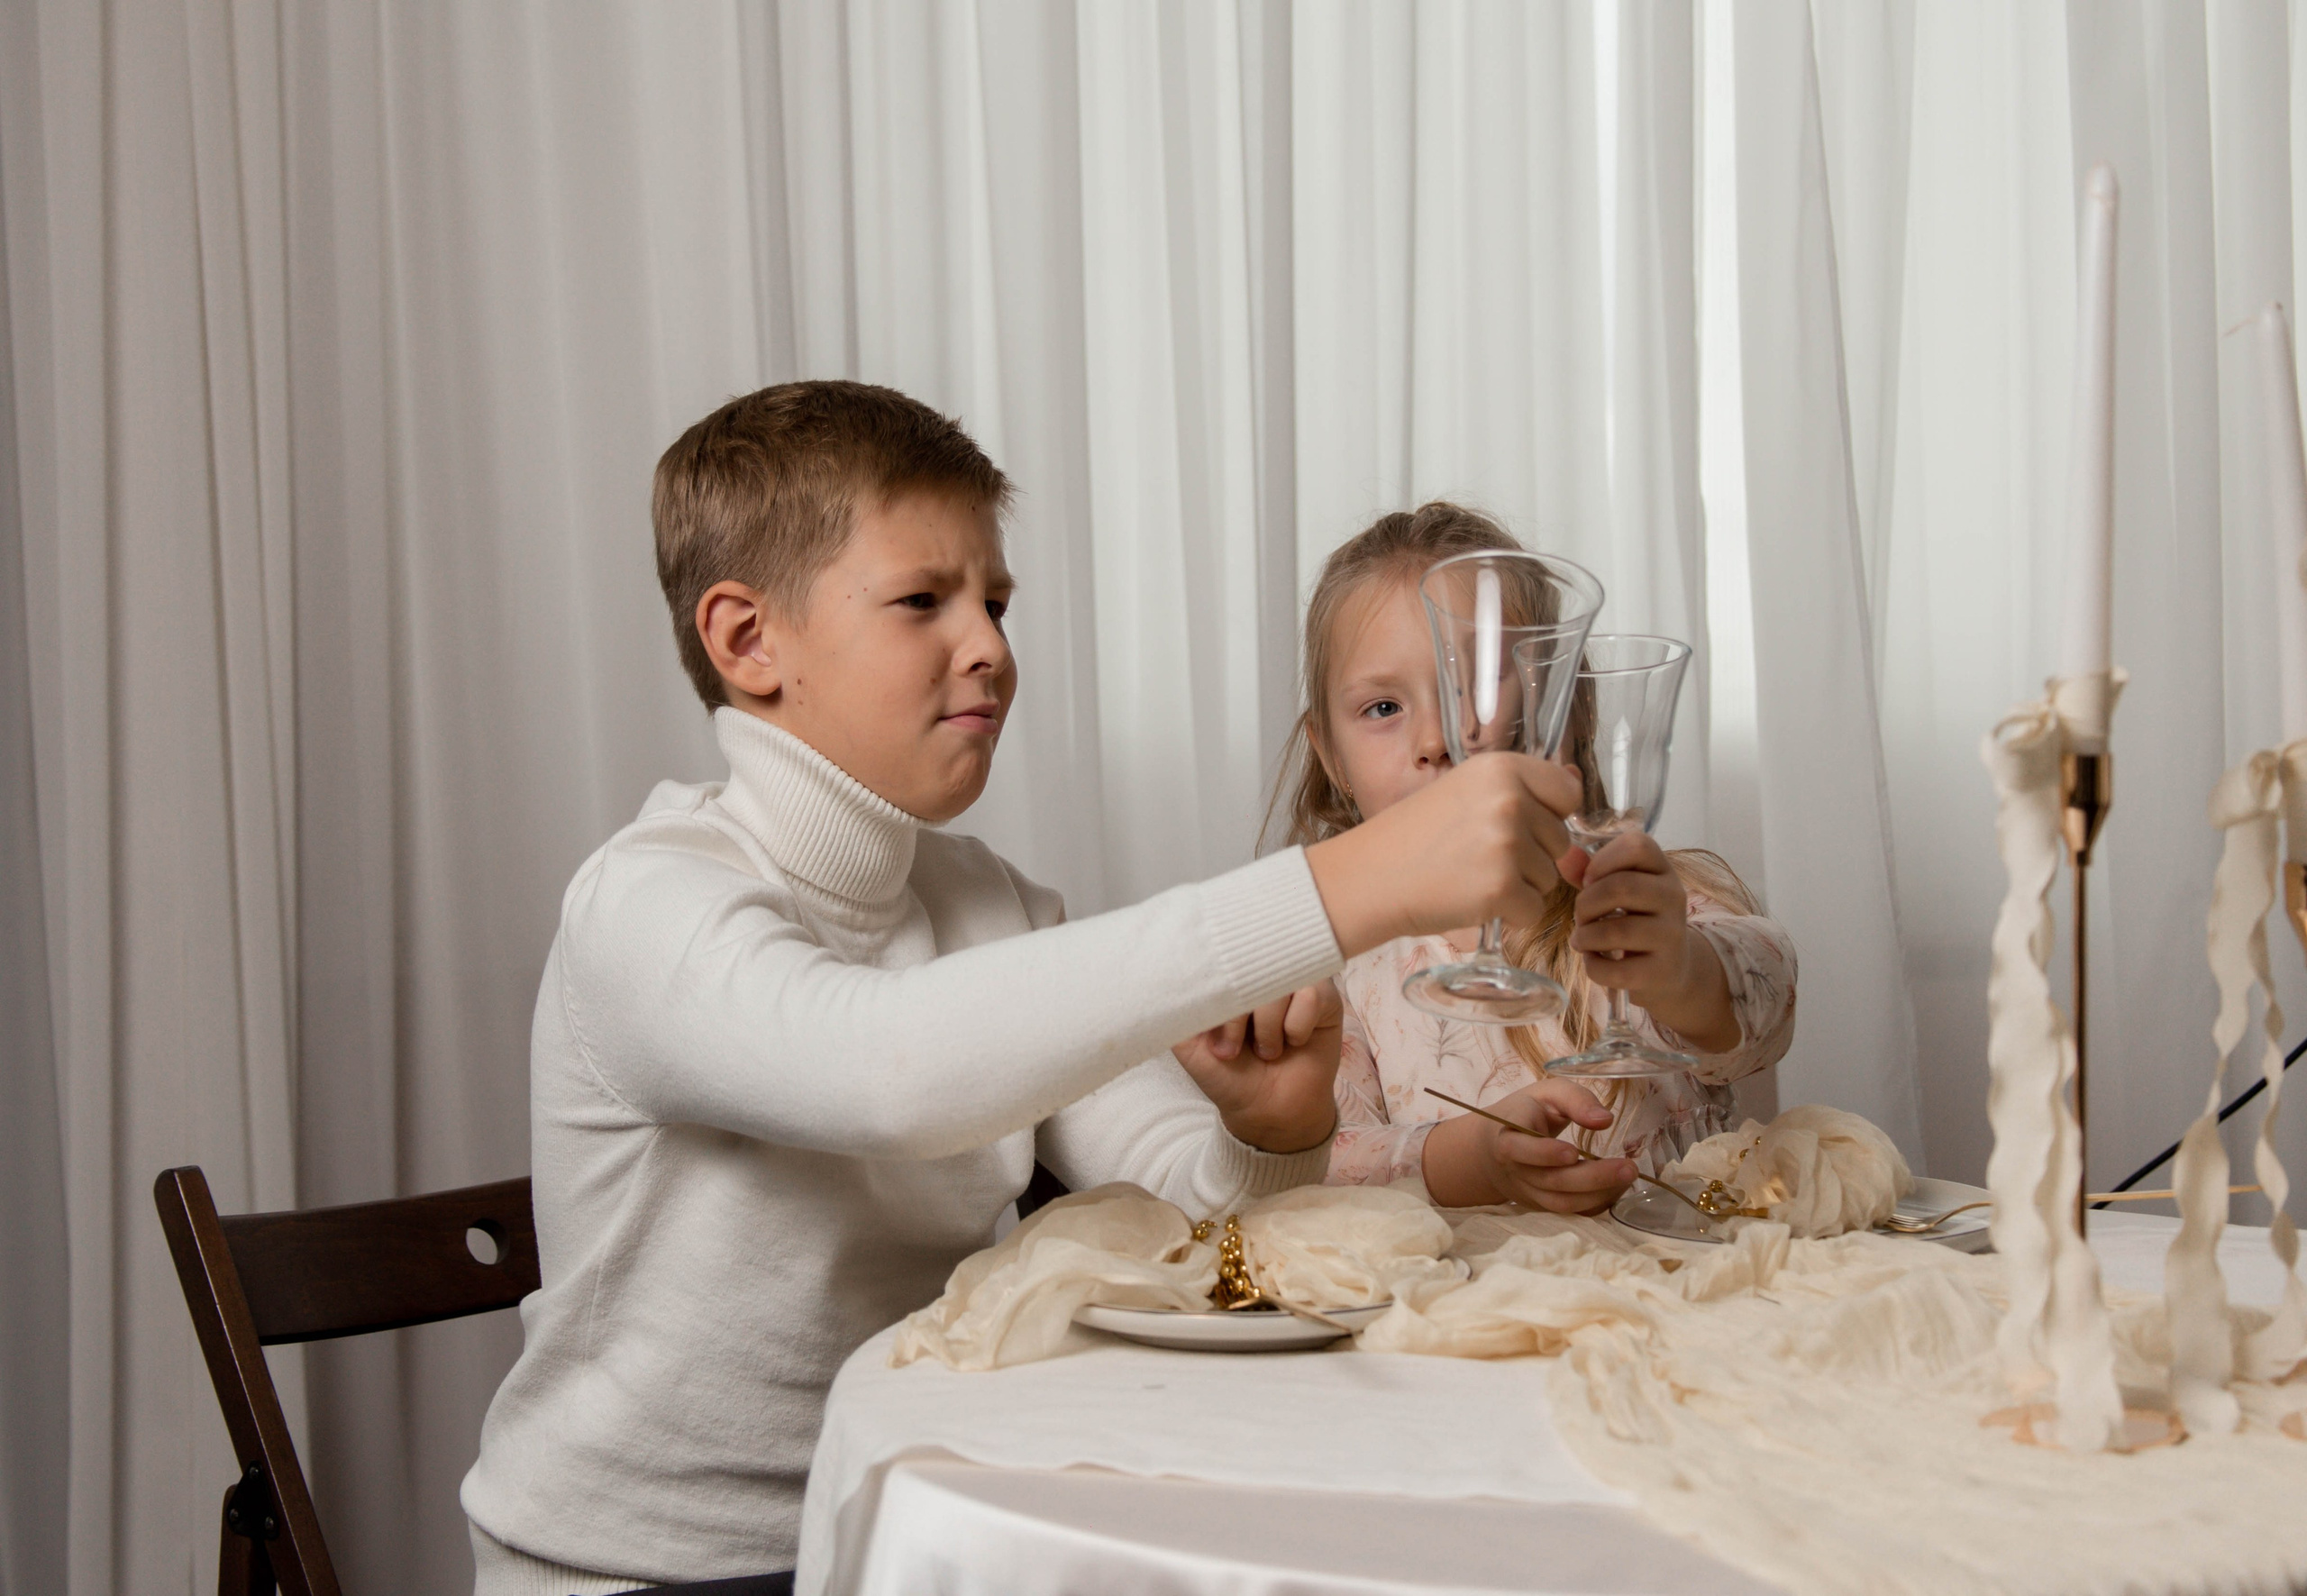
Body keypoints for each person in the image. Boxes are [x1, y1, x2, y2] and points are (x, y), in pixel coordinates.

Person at [460, 385, 1586, 1592]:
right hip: (641, 1570)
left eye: (994, 599)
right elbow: (887, 1071)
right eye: (921, 601)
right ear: (747, 640)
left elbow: (1195, 1208)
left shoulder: (992, 902)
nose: (990, 642)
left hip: (914, 1522)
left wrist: (1279, 1131)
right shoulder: (646, 902)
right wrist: (1344, 882)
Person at [1262, 501, 1797, 1214]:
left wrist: (1678, 966)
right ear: (1331, 756)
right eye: (1384, 708)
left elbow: (1768, 994)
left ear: (1563, 720)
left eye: (1474, 689)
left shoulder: (1631, 898)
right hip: (1482, 1306)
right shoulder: (1344, 974)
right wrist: (1474, 1159)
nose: (1436, 738)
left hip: (1681, 1294)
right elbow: (1326, 1158)